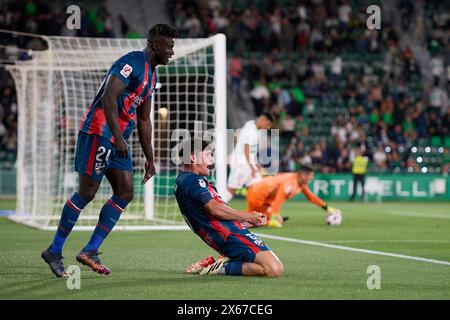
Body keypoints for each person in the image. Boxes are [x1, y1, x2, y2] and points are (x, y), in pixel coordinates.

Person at [41, 24, 179, 278]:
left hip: (118, 140)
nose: (172, 51)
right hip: (99, 132)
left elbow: (145, 120)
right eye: (169, 46)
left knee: (125, 192)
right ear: (155, 45)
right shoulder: (132, 62)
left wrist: (150, 158)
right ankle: (54, 250)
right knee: (87, 192)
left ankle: (90, 250)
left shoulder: (153, 77)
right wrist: (116, 136)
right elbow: (108, 95)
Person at [175, 138, 283, 277]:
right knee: (273, 269)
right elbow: (214, 210)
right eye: (208, 155)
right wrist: (248, 216)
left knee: (273, 265)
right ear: (193, 157)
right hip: (230, 235)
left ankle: (225, 262)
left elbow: (211, 217)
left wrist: (248, 222)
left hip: (230, 232)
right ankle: (221, 266)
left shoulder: (188, 181)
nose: (211, 160)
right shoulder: (192, 181)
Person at [246, 164, 341, 228]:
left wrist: (326, 207)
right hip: (258, 195)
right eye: (310, 176)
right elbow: (280, 197)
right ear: (303, 175)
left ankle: (264, 219)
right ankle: (268, 220)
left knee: (251, 218)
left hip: (260, 195)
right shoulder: (291, 182)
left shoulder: (300, 183)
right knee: (259, 219)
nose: (311, 179)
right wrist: (275, 215)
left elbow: (311, 197)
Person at [224, 113, 276, 202]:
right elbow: (247, 150)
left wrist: (256, 164)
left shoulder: (252, 125)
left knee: (258, 188)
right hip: (241, 164)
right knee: (232, 190)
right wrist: (252, 167)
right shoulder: (250, 130)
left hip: (248, 164)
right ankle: (216, 208)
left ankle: (264, 212)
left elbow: (251, 150)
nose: (268, 128)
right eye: (268, 124)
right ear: (262, 120)